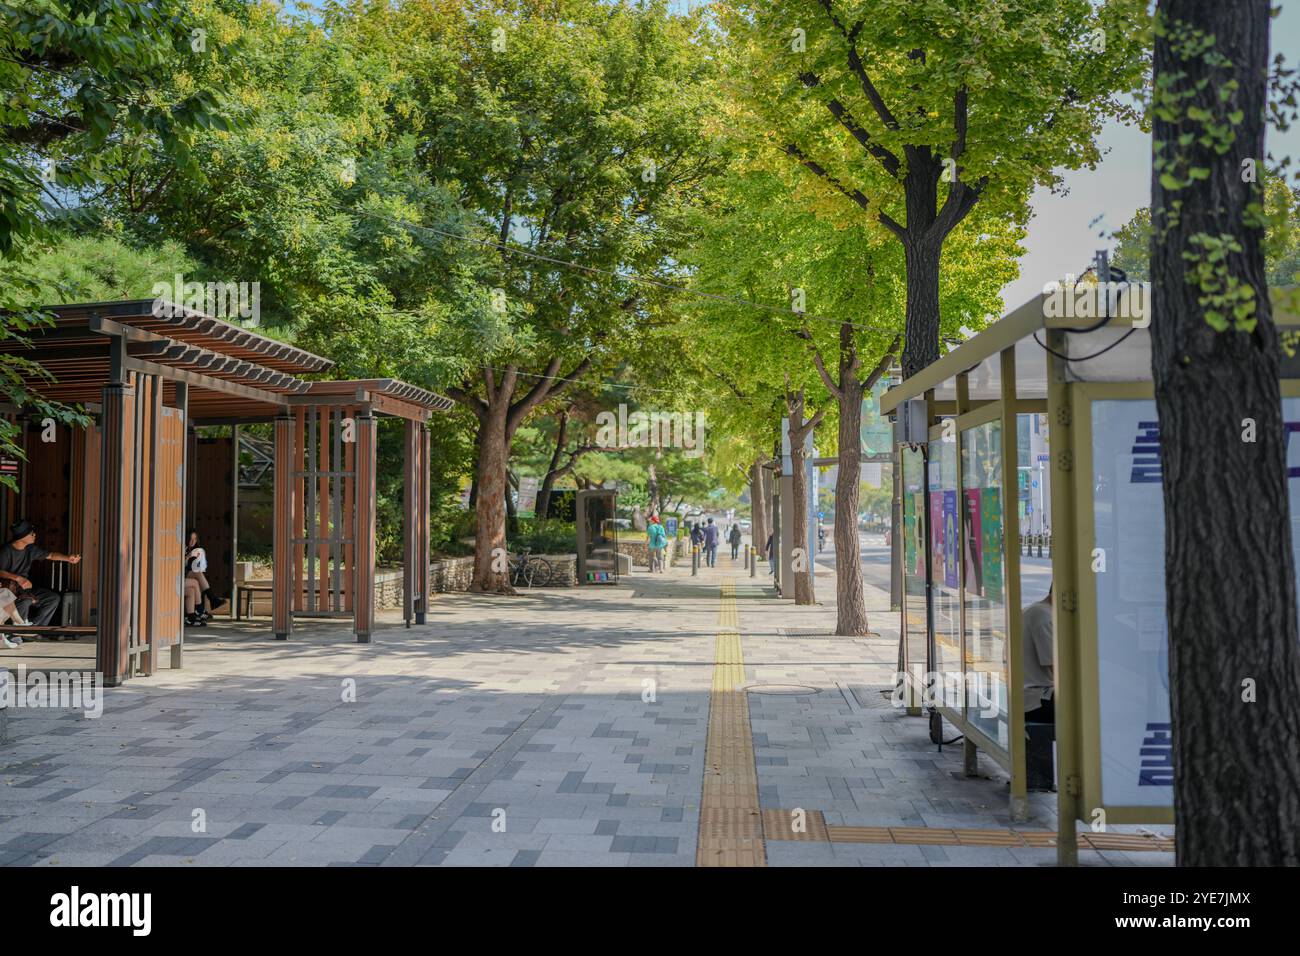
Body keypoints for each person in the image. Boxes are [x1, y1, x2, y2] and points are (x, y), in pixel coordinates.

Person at [0, 519, 81, 637]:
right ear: (22, 536)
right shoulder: (5, 551)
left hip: (25, 589)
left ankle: (35, 630)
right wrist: (18, 578)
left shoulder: (30, 549)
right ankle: (18, 634)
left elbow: (51, 555)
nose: (34, 535)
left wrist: (68, 558)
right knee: (25, 601)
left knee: (52, 598)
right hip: (9, 590)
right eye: (31, 533)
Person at [1023, 585, 1055, 723]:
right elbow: (1058, 670)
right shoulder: (1045, 618)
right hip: (1035, 700)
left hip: (1024, 694)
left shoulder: (1033, 610)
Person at [186, 529, 227, 621]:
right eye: (191, 539)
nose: (193, 541)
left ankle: (200, 610)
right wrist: (187, 557)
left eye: (195, 539)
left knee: (197, 580)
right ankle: (210, 601)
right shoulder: (182, 548)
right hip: (180, 576)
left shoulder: (195, 550)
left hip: (188, 577)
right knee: (197, 576)